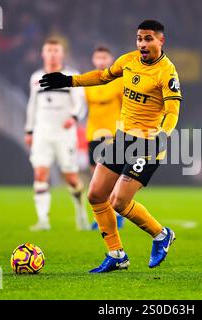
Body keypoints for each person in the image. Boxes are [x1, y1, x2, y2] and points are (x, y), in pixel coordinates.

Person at [40, 20, 182, 272]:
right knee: (95, 194)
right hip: (122, 139)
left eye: (148, 38)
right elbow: (103, 76)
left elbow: (172, 111)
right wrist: (69, 80)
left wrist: (163, 134)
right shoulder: (128, 61)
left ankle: (161, 235)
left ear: (161, 41)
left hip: (148, 143)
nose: (142, 44)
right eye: (139, 38)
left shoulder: (167, 72)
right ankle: (116, 254)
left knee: (118, 201)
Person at [25, 38, 90, 232]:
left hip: (64, 134)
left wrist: (74, 117)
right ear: (43, 54)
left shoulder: (70, 75)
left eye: (56, 50)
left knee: (71, 177)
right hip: (42, 133)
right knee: (40, 173)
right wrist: (29, 130)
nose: (52, 54)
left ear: (62, 54)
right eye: (49, 50)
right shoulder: (36, 77)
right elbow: (32, 106)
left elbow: (81, 102)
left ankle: (81, 213)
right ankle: (43, 220)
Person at [84, 45, 125, 230]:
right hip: (93, 133)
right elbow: (81, 106)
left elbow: (126, 106)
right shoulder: (88, 81)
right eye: (98, 57)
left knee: (110, 177)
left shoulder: (119, 80)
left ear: (110, 59)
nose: (101, 61)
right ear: (93, 59)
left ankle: (116, 214)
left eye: (104, 57)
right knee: (95, 178)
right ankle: (102, 216)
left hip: (113, 133)